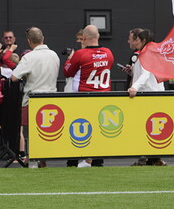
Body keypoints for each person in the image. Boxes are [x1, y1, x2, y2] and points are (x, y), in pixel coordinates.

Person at [63, 25, 114, 167]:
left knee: (78, 127)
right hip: (102, 96)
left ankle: (74, 160)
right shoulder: (108, 53)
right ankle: (97, 160)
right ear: (98, 36)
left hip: (85, 97)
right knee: (98, 129)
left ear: (84, 38)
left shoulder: (80, 54)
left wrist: (70, 59)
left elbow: (67, 72)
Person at [10, 26, 60, 167]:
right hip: (51, 99)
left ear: (29, 41)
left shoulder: (29, 57)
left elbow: (14, 77)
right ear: (43, 38)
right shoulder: (54, 55)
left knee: (31, 132)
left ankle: (34, 161)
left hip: (33, 99)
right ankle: (42, 161)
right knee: (45, 133)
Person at [124, 28, 166, 166]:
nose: (134, 42)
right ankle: (153, 158)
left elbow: (146, 73)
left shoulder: (147, 54)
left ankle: (150, 157)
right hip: (153, 93)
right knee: (150, 126)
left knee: (147, 126)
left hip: (149, 95)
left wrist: (134, 87)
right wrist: (132, 73)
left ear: (143, 41)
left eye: (137, 40)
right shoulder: (150, 53)